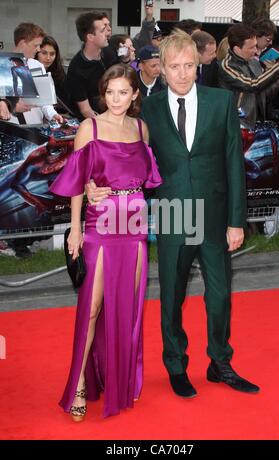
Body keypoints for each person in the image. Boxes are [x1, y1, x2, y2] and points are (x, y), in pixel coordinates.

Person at [87, 30, 260, 398]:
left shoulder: (221, 101)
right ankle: (176, 365)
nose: (182, 74)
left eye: (188, 66)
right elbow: (120, 149)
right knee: (172, 294)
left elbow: (233, 162)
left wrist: (236, 220)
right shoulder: (147, 109)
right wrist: (92, 183)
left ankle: (220, 362)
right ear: (160, 70)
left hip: (214, 213)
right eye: (174, 67)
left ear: (198, 66)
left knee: (219, 294)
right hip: (173, 211)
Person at [49, 64, 161, 421]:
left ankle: (122, 378)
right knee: (93, 308)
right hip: (100, 224)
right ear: (103, 93)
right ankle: (79, 381)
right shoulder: (89, 128)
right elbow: (78, 182)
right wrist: (77, 229)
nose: (116, 99)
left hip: (134, 224)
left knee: (128, 308)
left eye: (123, 92)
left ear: (134, 95)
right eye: (110, 92)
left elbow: (145, 176)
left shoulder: (140, 128)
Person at [218, 23, 279, 129]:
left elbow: (265, 91)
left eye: (256, 46)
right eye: (251, 47)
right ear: (237, 49)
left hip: (255, 123)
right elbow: (252, 85)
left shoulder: (254, 63)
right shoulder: (227, 66)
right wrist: (278, 67)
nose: (256, 51)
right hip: (234, 123)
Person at [66, 11, 110, 120]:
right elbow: (86, 110)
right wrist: (107, 124)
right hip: (91, 123)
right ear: (90, 37)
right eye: (102, 31)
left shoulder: (110, 53)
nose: (107, 33)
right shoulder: (76, 69)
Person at [36, 35, 69, 109]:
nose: (48, 58)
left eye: (52, 54)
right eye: (44, 53)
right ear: (37, 53)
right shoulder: (29, 69)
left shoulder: (59, 72)